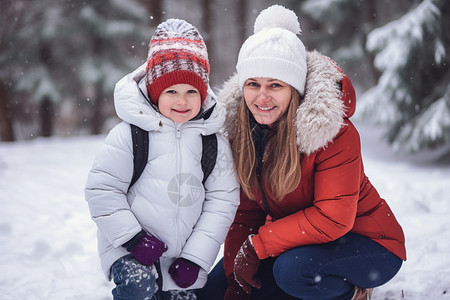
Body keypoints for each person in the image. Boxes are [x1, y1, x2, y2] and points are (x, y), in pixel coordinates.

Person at [196, 5, 406, 300]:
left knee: (293, 274)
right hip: (301, 242)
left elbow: (333, 218)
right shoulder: (242, 134)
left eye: (276, 85)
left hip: (368, 243)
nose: (262, 96)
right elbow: (247, 213)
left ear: (294, 89)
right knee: (212, 293)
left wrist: (259, 246)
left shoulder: (333, 133)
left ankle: (352, 292)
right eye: (253, 84)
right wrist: (235, 271)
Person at [85, 18, 240, 300]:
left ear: (203, 93)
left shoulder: (212, 143)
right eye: (172, 91)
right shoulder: (130, 136)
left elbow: (222, 203)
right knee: (138, 288)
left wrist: (196, 257)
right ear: (156, 92)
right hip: (129, 248)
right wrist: (133, 239)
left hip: (184, 255)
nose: (182, 101)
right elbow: (102, 190)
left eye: (191, 91)